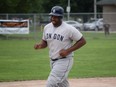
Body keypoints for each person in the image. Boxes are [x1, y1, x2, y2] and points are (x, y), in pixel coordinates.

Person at [34, 6, 86, 87]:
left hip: (64, 61)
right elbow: (45, 43)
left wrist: (67, 51)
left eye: (55, 16)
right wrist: (40, 45)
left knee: (51, 84)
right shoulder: (47, 27)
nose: (53, 18)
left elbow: (82, 41)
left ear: (61, 17)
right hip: (52, 61)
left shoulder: (69, 29)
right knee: (62, 85)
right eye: (52, 16)